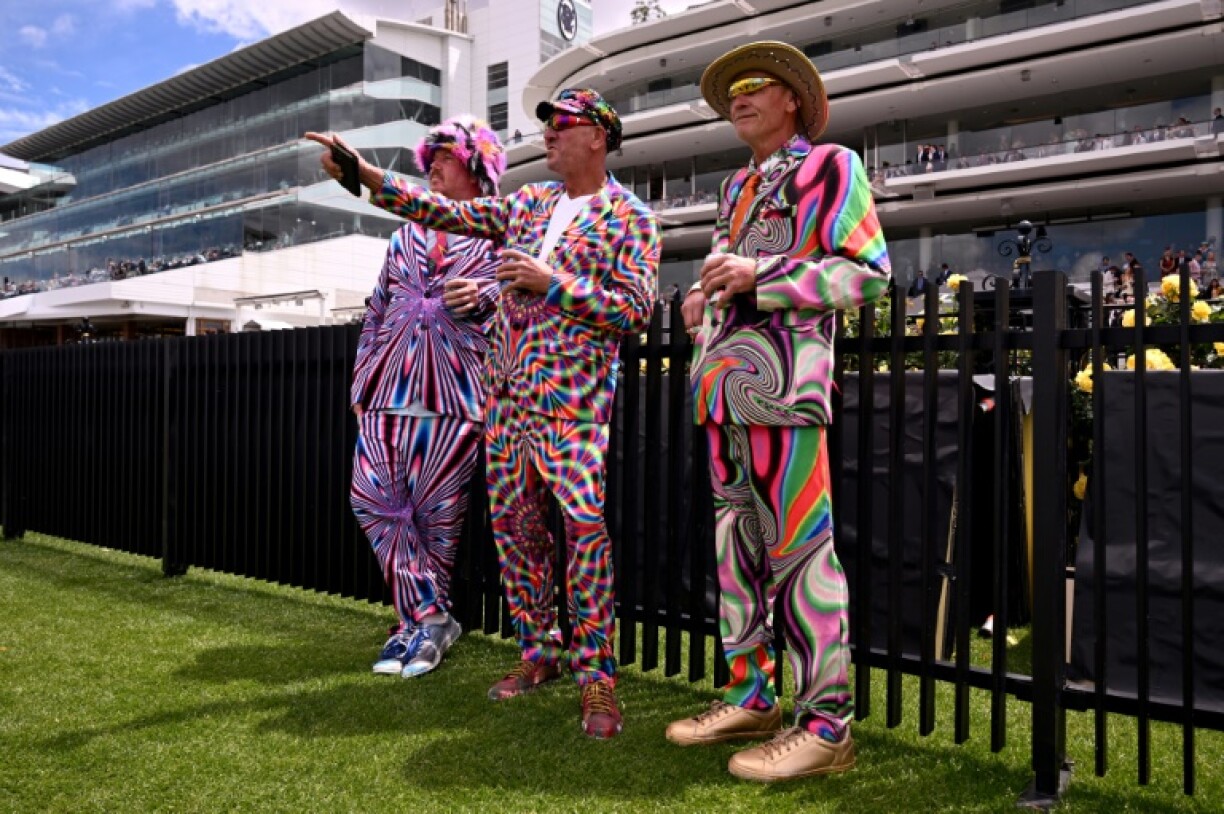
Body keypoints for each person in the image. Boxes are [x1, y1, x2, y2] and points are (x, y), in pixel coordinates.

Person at [307, 88, 659, 739]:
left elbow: (634, 309)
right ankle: (537, 655)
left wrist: (551, 283)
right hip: (505, 406)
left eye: (562, 125)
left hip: (573, 409)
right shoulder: (527, 204)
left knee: (583, 534)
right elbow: (438, 208)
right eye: (546, 125)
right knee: (518, 539)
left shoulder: (629, 216)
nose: (548, 134)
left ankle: (598, 677)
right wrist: (365, 177)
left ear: (599, 137)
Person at [671, 41, 891, 782]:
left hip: (786, 391)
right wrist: (700, 299)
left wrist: (760, 273)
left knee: (801, 555)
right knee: (735, 551)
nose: (738, 95)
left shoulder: (831, 167)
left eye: (754, 85)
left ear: (791, 98)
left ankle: (827, 725)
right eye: (730, 89)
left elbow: (866, 275)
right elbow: (722, 272)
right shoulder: (735, 187)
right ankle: (751, 693)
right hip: (722, 388)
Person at [339, 116, 506, 679]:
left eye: (445, 156)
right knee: (372, 499)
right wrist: (363, 378)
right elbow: (377, 309)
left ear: (477, 165)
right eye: (428, 157)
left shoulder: (500, 228)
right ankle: (431, 616)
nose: (432, 165)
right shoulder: (403, 236)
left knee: (437, 518)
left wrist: (482, 293)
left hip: (458, 391)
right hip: (390, 386)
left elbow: (520, 294)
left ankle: (415, 628)